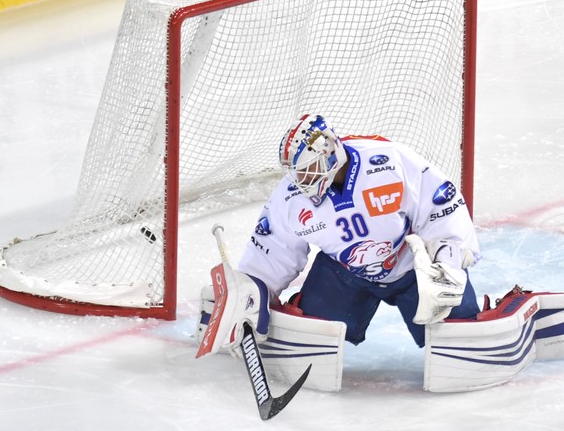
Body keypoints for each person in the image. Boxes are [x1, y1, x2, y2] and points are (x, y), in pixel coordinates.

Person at [199, 113, 480, 358]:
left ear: (329, 153)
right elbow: (274, 246)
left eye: (307, 171)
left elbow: (440, 205)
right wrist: (252, 293)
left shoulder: (390, 162)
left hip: (411, 268)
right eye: (296, 174)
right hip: (345, 274)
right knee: (306, 335)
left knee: (456, 332)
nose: (301, 182)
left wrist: (446, 264)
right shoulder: (291, 196)